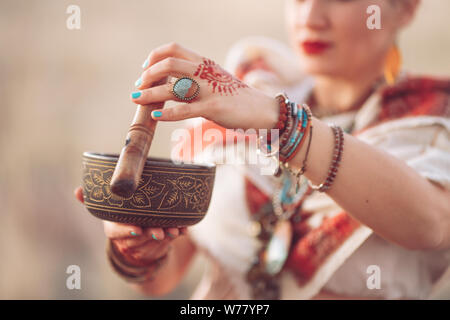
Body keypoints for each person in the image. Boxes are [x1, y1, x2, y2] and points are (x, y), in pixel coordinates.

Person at [75, 0, 450, 299]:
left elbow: (430, 225)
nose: (311, 16)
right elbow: (164, 277)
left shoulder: (431, 117)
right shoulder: (254, 85)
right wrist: (137, 251)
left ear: (407, 8)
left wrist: (279, 121)